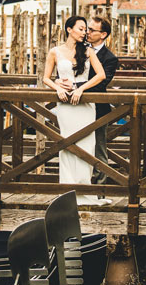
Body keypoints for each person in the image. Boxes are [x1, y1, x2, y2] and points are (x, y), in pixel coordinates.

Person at [41, 16, 109, 205]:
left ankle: (84, 190)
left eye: (85, 29)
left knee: (86, 145)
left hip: (84, 106)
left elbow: (101, 75)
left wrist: (81, 89)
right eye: (80, 28)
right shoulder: (55, 51)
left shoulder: (87, 51)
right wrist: (58, 88)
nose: (84, 32)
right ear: (69, 29)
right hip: (65, 106)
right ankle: (67, 190)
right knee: (67, 146)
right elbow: (45, 78)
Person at [86, 16, 118, 184]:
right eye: (87, 28)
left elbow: (102, 83)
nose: (88, 32)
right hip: (76, 107)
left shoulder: (110, 58)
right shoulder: (79, 49)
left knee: (99, 147)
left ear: (103, 34)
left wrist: (79, 87)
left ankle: (100, 185)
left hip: (98, 108)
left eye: (92, 30)